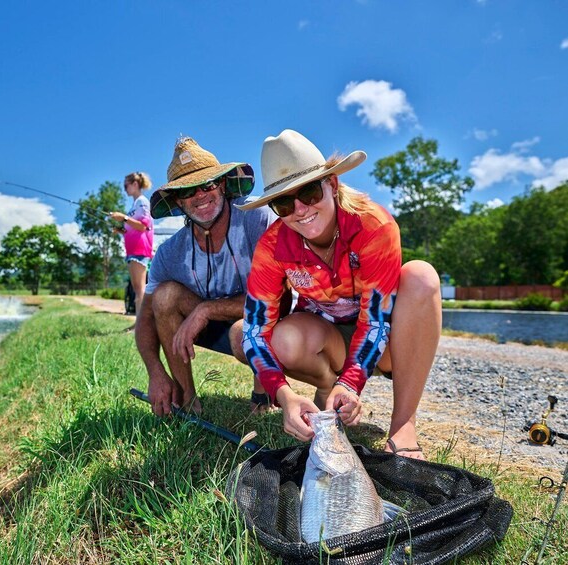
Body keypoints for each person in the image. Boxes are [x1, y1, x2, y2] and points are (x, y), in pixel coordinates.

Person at [240, 129, 441, 459]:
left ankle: (404, 424)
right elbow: (253, 330)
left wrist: (352, 382)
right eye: (283, 203)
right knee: (282, 339)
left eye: (308, 192)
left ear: (332, 184)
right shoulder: (272, 246)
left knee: (421, 276)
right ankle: (325, 388)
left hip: (386, 341)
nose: (300, 210)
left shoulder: (372, 224)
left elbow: (377, 319)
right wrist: (284, 394)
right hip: (326, 338)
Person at [135, 136, 276, 416]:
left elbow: (275, 299)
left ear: (222, 185)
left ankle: (263, 394)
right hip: (209, 328)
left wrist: (207, 309)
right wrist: (155, 372)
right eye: (187, 191)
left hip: (263, 322)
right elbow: (145, 319)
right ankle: (187, 400)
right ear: (177, 201)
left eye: (208, 184)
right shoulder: (169, 253)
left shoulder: (257, 219)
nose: (200, 195)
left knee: (245, 333)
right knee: (164, 297)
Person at [109, 171, 154, 316]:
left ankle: (141, 325)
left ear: (135, 184)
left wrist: (123, 218)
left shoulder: (142, 202)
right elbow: (134, 229)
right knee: (137, 289)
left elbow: (143, 226)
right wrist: (121, 230)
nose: (124, 188)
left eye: (126, 185)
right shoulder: (135, 205)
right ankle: (138, 323)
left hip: (140, 250)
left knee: (140, 289)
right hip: (132, 250)